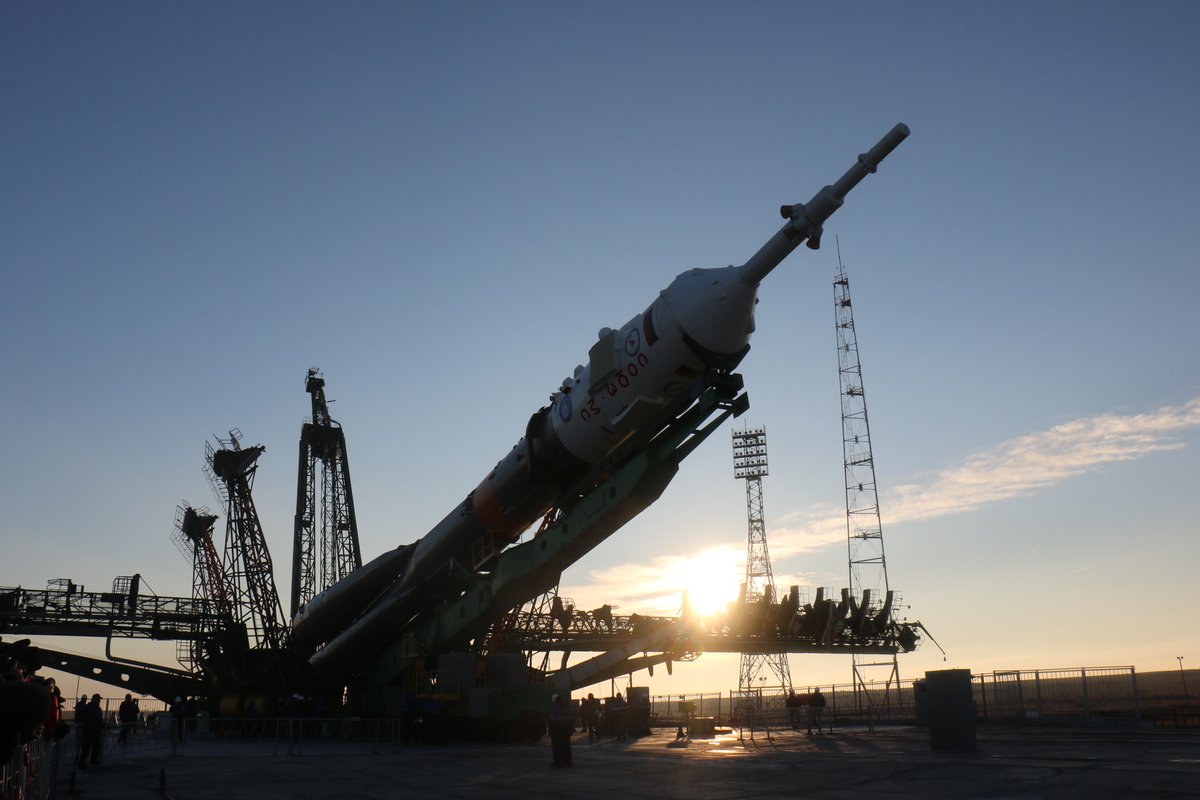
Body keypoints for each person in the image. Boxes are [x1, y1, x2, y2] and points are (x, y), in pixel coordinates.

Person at [77, 694, 104, 768]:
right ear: (95, 699)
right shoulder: (92, 708)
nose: (99, 701)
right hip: (90, 731)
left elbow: (98, 720)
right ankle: (82, 763)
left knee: (95, 747)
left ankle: (93, 760)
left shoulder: (93, 707)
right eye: (98, 699)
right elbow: (92, 719)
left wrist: (101, 724)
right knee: (86, 748)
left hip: (94, 731)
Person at [547, 694, 574, 768]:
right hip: (566, 732)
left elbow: (552, 720)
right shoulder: (568, 709)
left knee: (557, 748)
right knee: (566, 747)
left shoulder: (556, 709)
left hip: (558, 732)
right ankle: (568, 762)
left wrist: (551, 731)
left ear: (557, 702)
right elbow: (571, 719)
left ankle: (558, 763)